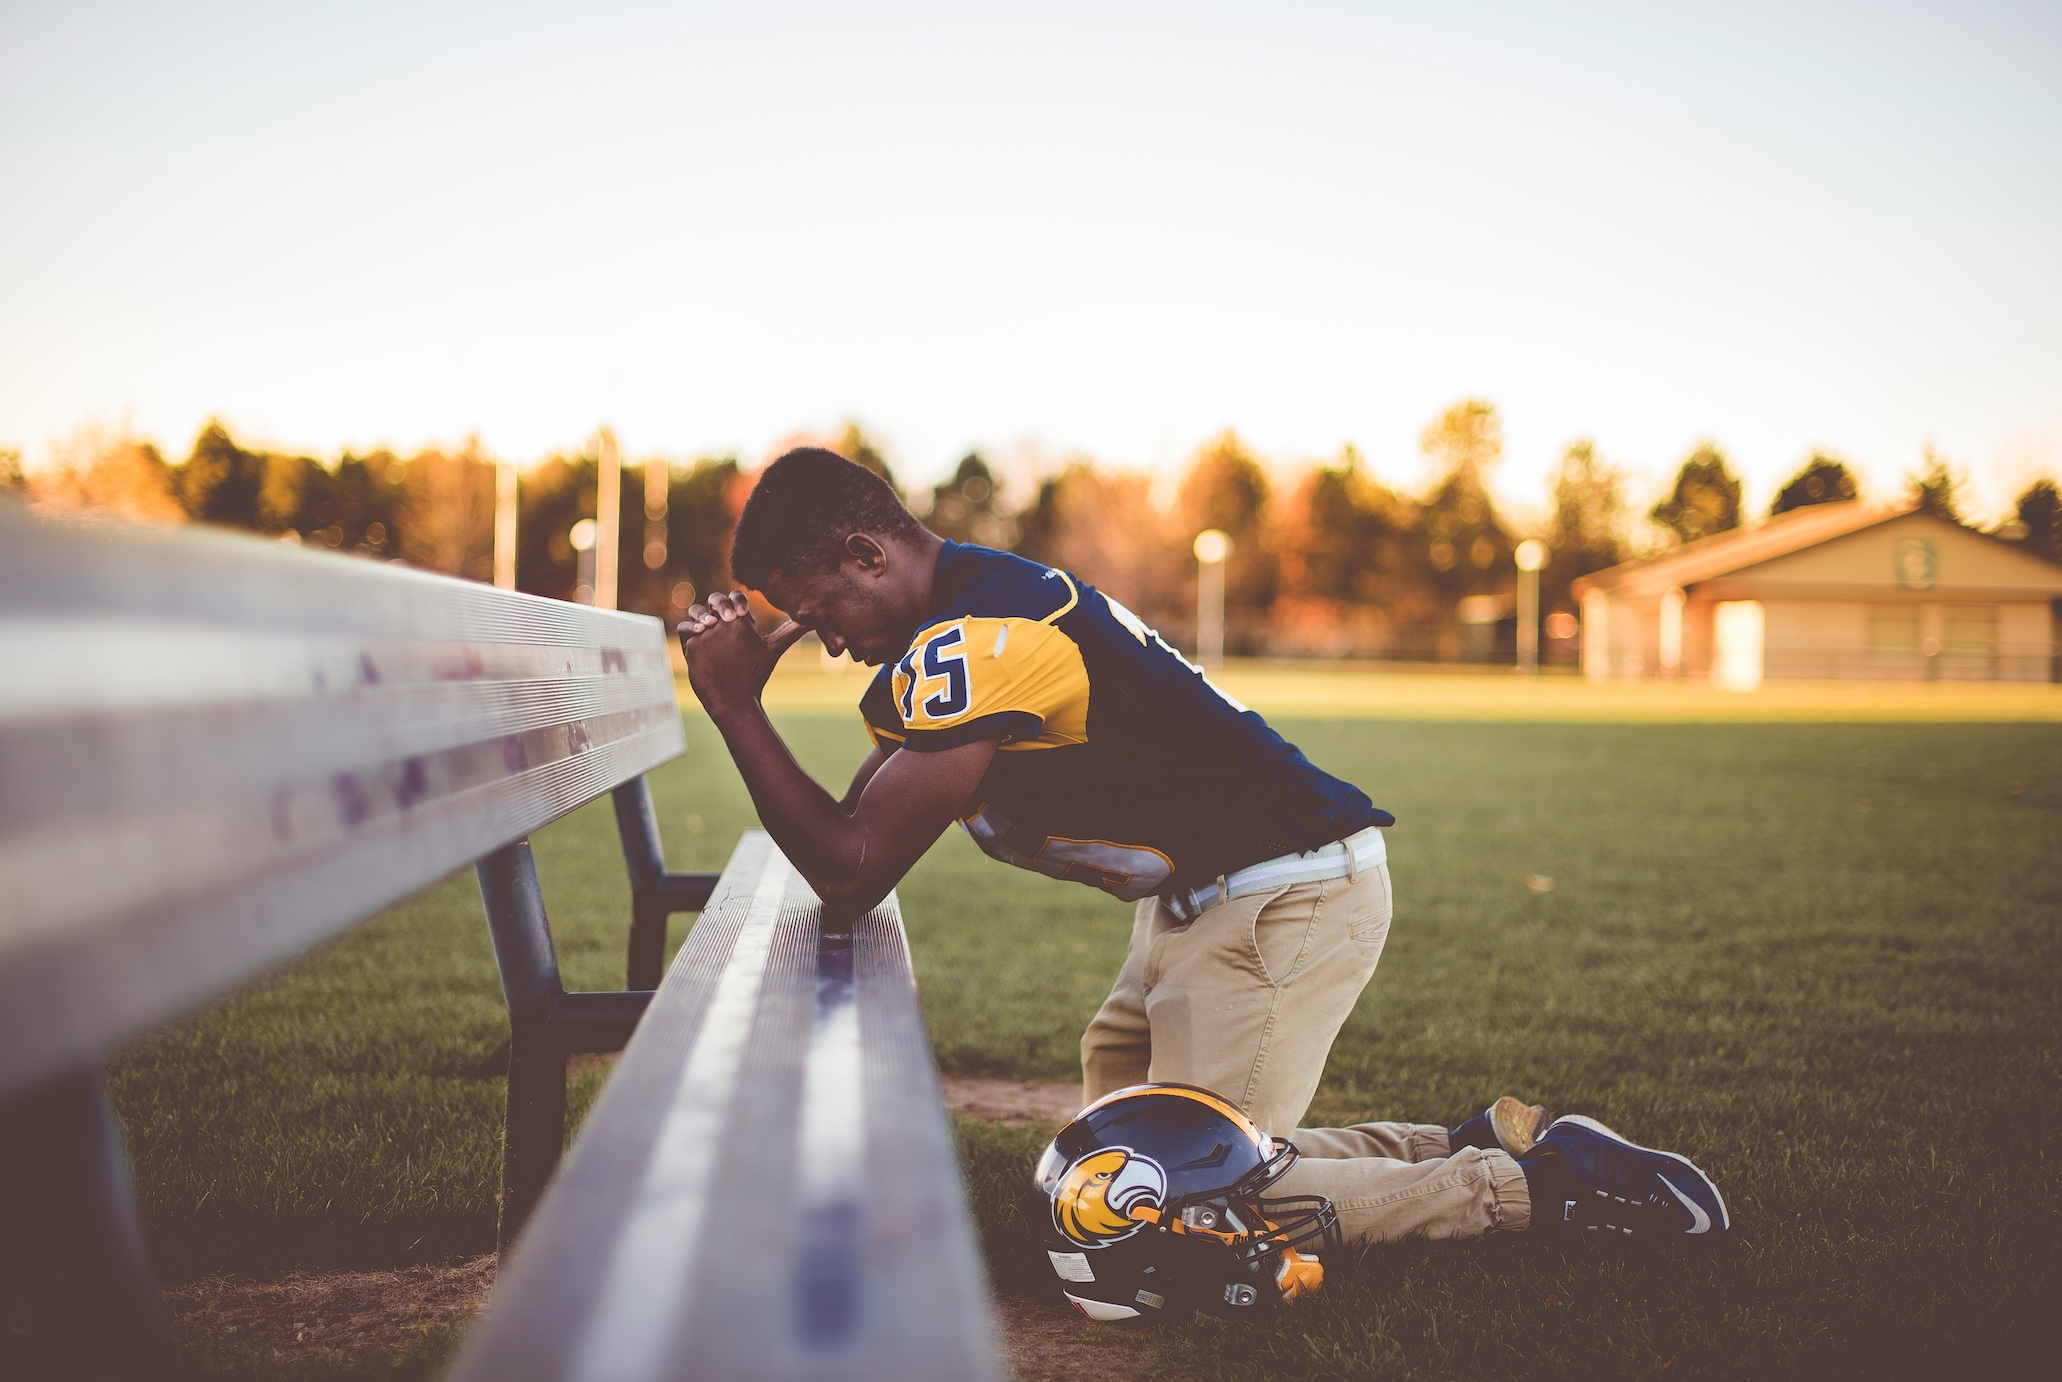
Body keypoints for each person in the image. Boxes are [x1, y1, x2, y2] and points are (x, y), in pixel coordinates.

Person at [677, 447, 1728, 1255]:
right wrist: (747, 706)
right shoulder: (963, 614)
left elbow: (852, 868)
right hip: (1210, 899)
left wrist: (732, 707)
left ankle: (1545, 1189)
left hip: (1280, 897)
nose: (825, 637)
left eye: (822, 611)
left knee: (1186, 1201)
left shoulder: (979, 635)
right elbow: (859, 828)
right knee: (1119, 1170)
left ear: (869, 554)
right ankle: (1470, 1143)